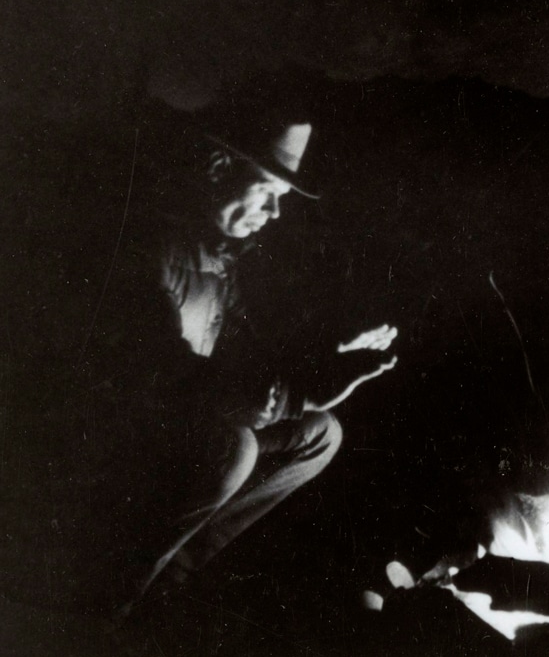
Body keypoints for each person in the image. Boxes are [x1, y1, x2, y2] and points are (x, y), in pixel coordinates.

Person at [74, 108, 399, 618]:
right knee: (234, 445)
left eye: (282, 200)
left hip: (177, 420)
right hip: (101, 439)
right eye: (268, 191)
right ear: (219, 168)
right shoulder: (145, 247)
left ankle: (172, 570)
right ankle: (107, 601)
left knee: (320, 433)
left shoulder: (219, 259)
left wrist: (325, 359)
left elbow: (246, 358)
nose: (274, 212)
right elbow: (161, 380)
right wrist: (289, 394)